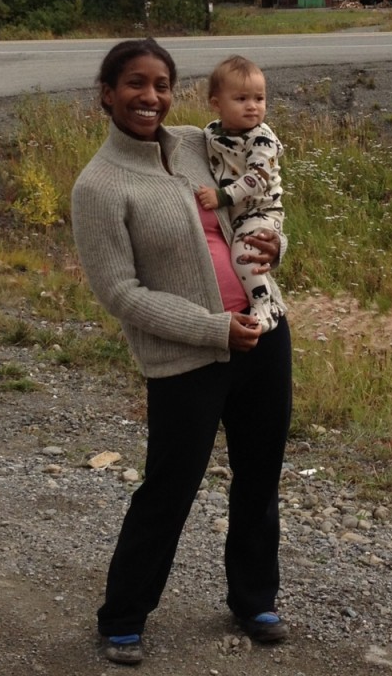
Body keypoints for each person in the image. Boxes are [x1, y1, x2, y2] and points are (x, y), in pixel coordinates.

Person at [70, 38, 292, 666]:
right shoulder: (99, 186)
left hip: (264, 332)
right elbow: (121, 293)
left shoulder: (200, 143)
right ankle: (122, 618)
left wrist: (278, 247)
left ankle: (255, 600)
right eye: (136, 84)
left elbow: (261, 199)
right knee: (170, 486)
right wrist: (211, 329)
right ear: (108, 94)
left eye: (162, 84)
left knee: (259, 476)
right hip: (187, 357)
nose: (151, 97)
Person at [196, 56, 284, 334]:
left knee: (245, 254)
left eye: (260, 98)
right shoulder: (210, 133)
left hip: (262, 211)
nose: (253, 106)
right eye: (242, 98)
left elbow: (257, 179)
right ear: (216, 104)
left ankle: (264, 307)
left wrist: (221, 197)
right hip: (238, 216)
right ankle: (266, 299)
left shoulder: (262, 138)